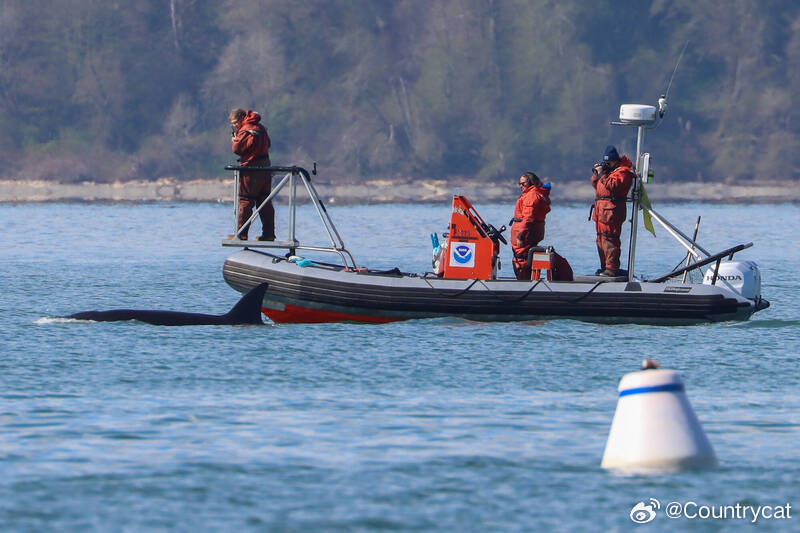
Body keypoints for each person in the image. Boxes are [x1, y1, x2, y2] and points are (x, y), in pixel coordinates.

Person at [228, 108, 274, 241]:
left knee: (245, 201)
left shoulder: (246, 129)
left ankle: (241, 234)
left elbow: (237, 149)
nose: (235, 125)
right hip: (266, 168)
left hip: (251, 170)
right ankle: (269, 235)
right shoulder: (261, 128)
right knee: (264, 201)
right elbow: (268, 144)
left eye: (235, 122)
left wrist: (235, 139)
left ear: (242, 118)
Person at [590, 145, 635, 277]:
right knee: (600, 240)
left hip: (611, 212)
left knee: (610, 239)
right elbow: (596, 185)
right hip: (600, 211)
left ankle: (612, 268)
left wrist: (602, 174)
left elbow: (613, 186)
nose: (606, 165)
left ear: (615, 161)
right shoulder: (608, 173)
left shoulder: (623, 172)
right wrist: (596, 173)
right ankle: (604, 267)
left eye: (608, 162)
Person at [510, 171, 551, 280]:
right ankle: (527, 280)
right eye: (520, 184)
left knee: (521, 260)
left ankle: (524, 285)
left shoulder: (532, 195)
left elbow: (528, 217)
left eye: (523, 183)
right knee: (523, 258)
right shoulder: (535, 194)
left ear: (531, 182)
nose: (521, 186)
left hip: (525, 235)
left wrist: (521, 235)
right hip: (529, 233)